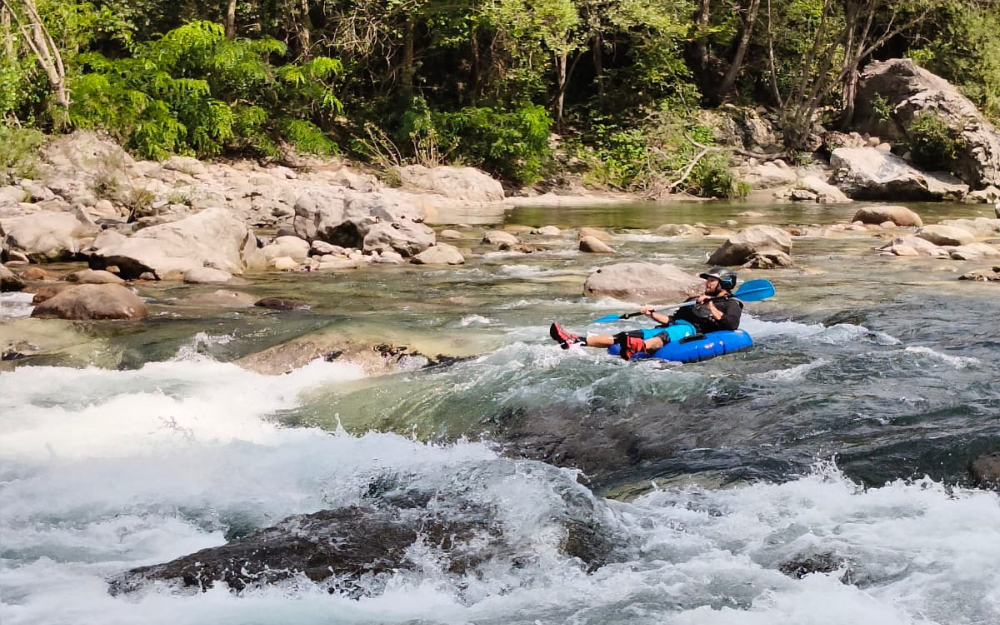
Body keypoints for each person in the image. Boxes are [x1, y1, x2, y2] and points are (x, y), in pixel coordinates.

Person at [549, 267, 743, 360]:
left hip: (691, 331)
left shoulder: (731, 304)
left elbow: (730, 325)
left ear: (724, 283)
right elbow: (671, 319)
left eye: (712, 280)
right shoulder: (693, 300)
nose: (707, 283)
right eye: (707, 279)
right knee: (625, 335)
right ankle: (576, 339)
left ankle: (639, 349)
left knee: (665, 336)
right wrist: (651, 314)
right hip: (677, 325)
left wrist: (710, 307)